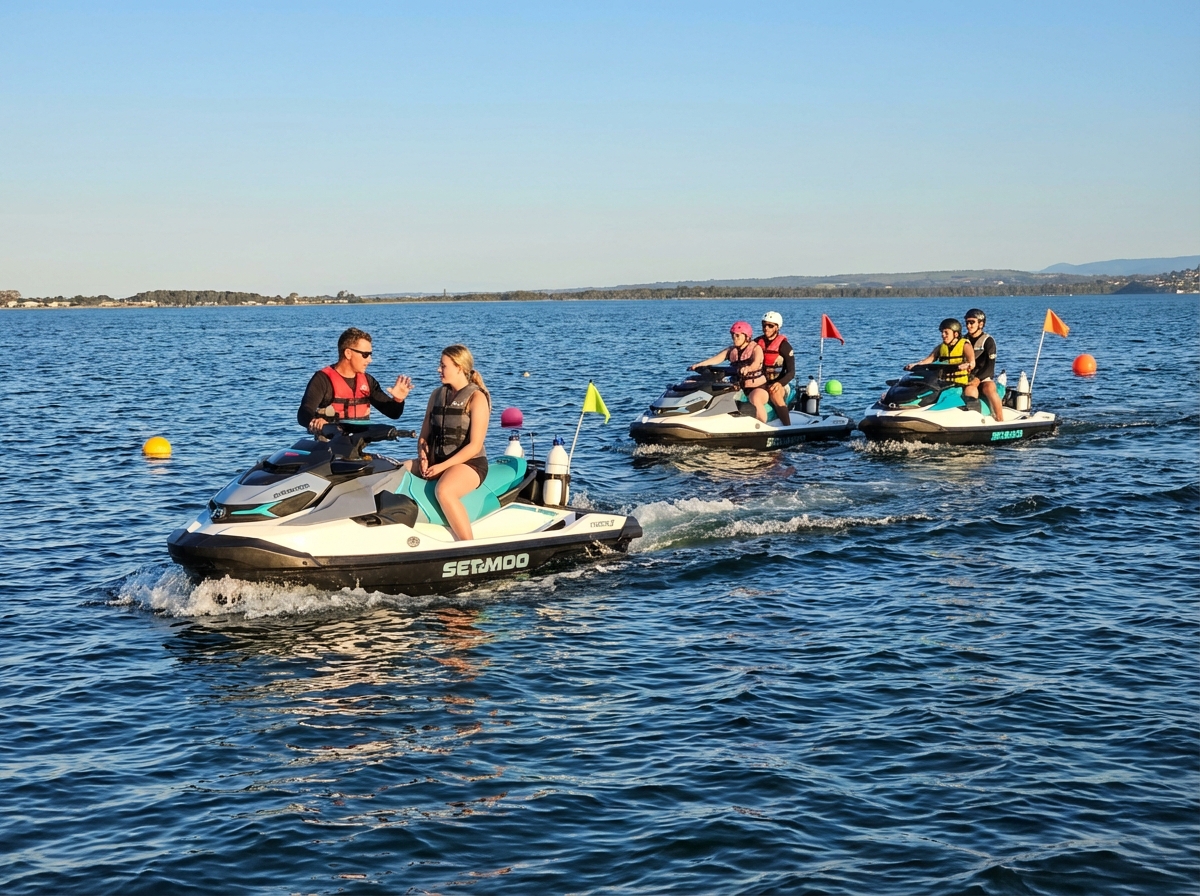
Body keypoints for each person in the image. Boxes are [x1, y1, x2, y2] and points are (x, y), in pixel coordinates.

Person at [411, 344, 491, 542]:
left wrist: (442, 467)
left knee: (444, 490)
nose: (439, 369)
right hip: (436, 461)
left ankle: (468, 546)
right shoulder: (436, 395)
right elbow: (423, 436)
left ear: (459, 367)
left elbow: (474, 445)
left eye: (443, 365)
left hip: (470, 463)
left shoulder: (476, 398)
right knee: (395, 470)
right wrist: (423, 457)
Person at [297, 327, 413, 433]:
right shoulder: (322, 379)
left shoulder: (368, 381)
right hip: (328, 449)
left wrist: (398, 400)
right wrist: (315, 421)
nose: (370, 360)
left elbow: (393, 413)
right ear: (348, 353)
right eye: (365, 355)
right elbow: (304, 413)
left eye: (370, 354)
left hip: (358, 448)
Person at [690, 321, 770, 422]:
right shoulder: (731, 351)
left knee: (755, 399)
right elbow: (716, 359)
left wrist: (748, 369)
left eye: (737, 335)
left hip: (758, 387)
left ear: (747, 337)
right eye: (732, 335)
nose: (734, 338)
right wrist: (699, 365)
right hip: (738, 386)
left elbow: (756, 363)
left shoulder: (756, 349)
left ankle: (762, 425)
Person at [905, 318, 976, 387]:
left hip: (960, 383)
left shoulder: (965, 345)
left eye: (946, 333)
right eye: (942, 332)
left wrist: (968, 365)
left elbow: (972, 362)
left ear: (956, 334)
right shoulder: (940, 347)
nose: (943, 335)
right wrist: (915, 365)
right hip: (944, 384)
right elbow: (929, 360)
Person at [963, 308, 1004, 421]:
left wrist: (978, 379)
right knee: (970, 391)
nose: (968, 326)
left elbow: (990, 367)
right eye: (967, 322)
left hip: (984, 377)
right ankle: (973, 419)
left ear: (980, 324)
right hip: (967, 377)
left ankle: (1000, 418)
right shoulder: (963, 340)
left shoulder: (988, 341)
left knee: (990, 388)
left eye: (972, 322)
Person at [756, 311, 795, 425]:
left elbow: (791, 372)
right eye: (764, 325)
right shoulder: (757, 343)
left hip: (780, 383)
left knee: (775, 393)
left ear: (777, 327)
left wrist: (779, 383)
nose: (766, 328)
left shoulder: (784, 346)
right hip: (761, 381)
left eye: (770, 326)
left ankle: (787, 426)